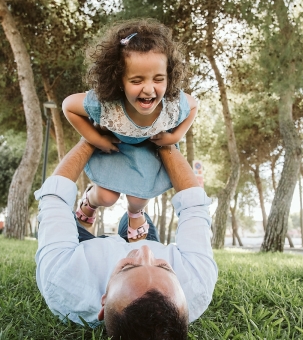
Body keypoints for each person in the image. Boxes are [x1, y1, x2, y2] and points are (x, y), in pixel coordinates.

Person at [35, 139, 217, 339]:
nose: (146, 251)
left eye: (127, 267)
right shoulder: (197, 283)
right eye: (164, 267)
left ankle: (90, 204)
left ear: (103, 302)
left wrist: (90, 139)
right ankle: (135, 211)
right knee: (137, 206)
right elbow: (194, 206)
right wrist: (164, 142)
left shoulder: (62, 279)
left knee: (103, 199)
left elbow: (54, 199)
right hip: (128, 235)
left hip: (84, 247)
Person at [62, 19, 198, 241]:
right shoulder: (108, 106)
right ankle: (91, 201)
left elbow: (194, 106)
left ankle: (135, 213)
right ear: (119, 80)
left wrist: (175, 136)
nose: (148, 88)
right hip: (116, 148)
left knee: (138, 198)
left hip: (146, 150)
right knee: (106, 197)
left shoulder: (172, 106)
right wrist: (96, 139)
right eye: (136, 80)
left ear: (169, 77)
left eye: (158, 79)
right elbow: (68, 106)